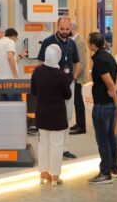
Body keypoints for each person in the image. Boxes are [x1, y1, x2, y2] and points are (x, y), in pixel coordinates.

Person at [37, 17, 80, 159]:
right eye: (62, 29)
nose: (65, 32)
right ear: (57, 26)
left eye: (67, 29)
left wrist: (74, 78)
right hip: (52, 87)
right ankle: (50, 148)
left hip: (68, 85)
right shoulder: (48, 42)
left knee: (67, 116)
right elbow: (40, 62)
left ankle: (64, 148)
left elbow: (77, 63)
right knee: (51, 117)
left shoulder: (72, 43)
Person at [31, 44, 72, 186]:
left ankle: (43, 173)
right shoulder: (61, 75)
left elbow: (34, 91)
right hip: (57, 115)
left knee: (43, 144)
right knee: (57, 145)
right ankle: (55, 176)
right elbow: (68, 95)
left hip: (42, 113)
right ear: (58, 57)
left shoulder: (37, 71)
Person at [87, 32, 117, 185]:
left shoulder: (100, 60)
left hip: (103, 105)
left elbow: (109, 82)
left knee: (103, 140)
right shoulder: (109, 56)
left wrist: (115, 100)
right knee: (110, 137)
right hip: (108, 104)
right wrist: (115, 91)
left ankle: (105, 173)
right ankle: (114, 169)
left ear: (93, 45)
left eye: (89, 42)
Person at [0, 28, 24, 101]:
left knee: (4, 105)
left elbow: (7, 59)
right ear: (13, 36)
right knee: (16, 105)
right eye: (16, 38)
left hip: (0, 80)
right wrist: (15, 76)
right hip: (10, 80)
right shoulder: (10, 42)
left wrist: (21, 56)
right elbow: (10, 57)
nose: (16, 40)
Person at [70, 22, 87, 135]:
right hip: (73, 76)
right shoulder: (73, 40)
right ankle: (79, 123)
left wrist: (75, 76)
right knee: (76, 101)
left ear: (71, 28)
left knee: (78, 101)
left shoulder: (79, 42)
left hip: (76, 77)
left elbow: (81, 62)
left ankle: (81, 126)